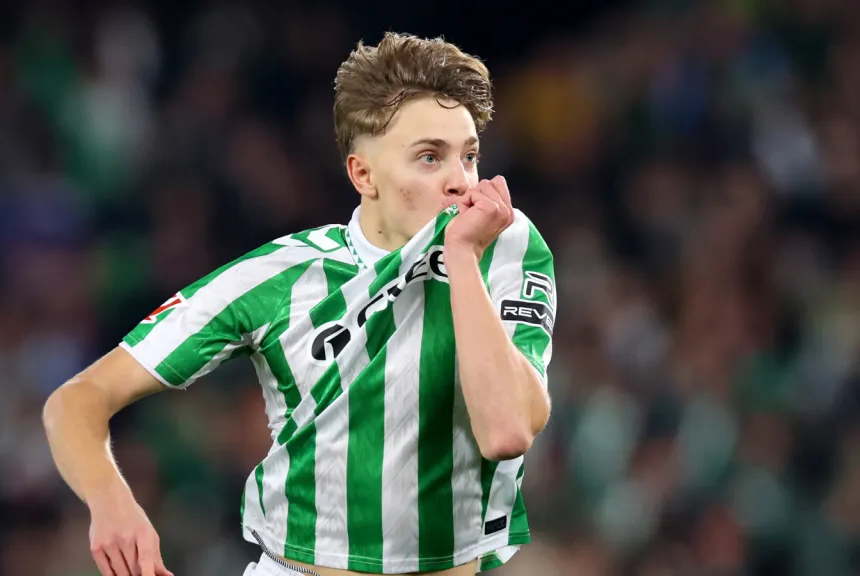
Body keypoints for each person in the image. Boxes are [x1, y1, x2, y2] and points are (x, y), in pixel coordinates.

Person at [43, 31, 556, 576]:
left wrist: (460, 258)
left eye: (470, 156)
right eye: (430, 157)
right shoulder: (285, 274)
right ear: (364, 174)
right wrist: (110, 500)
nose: (460, 181)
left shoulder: (506, 248)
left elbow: (506, 431)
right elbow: (77, 399)